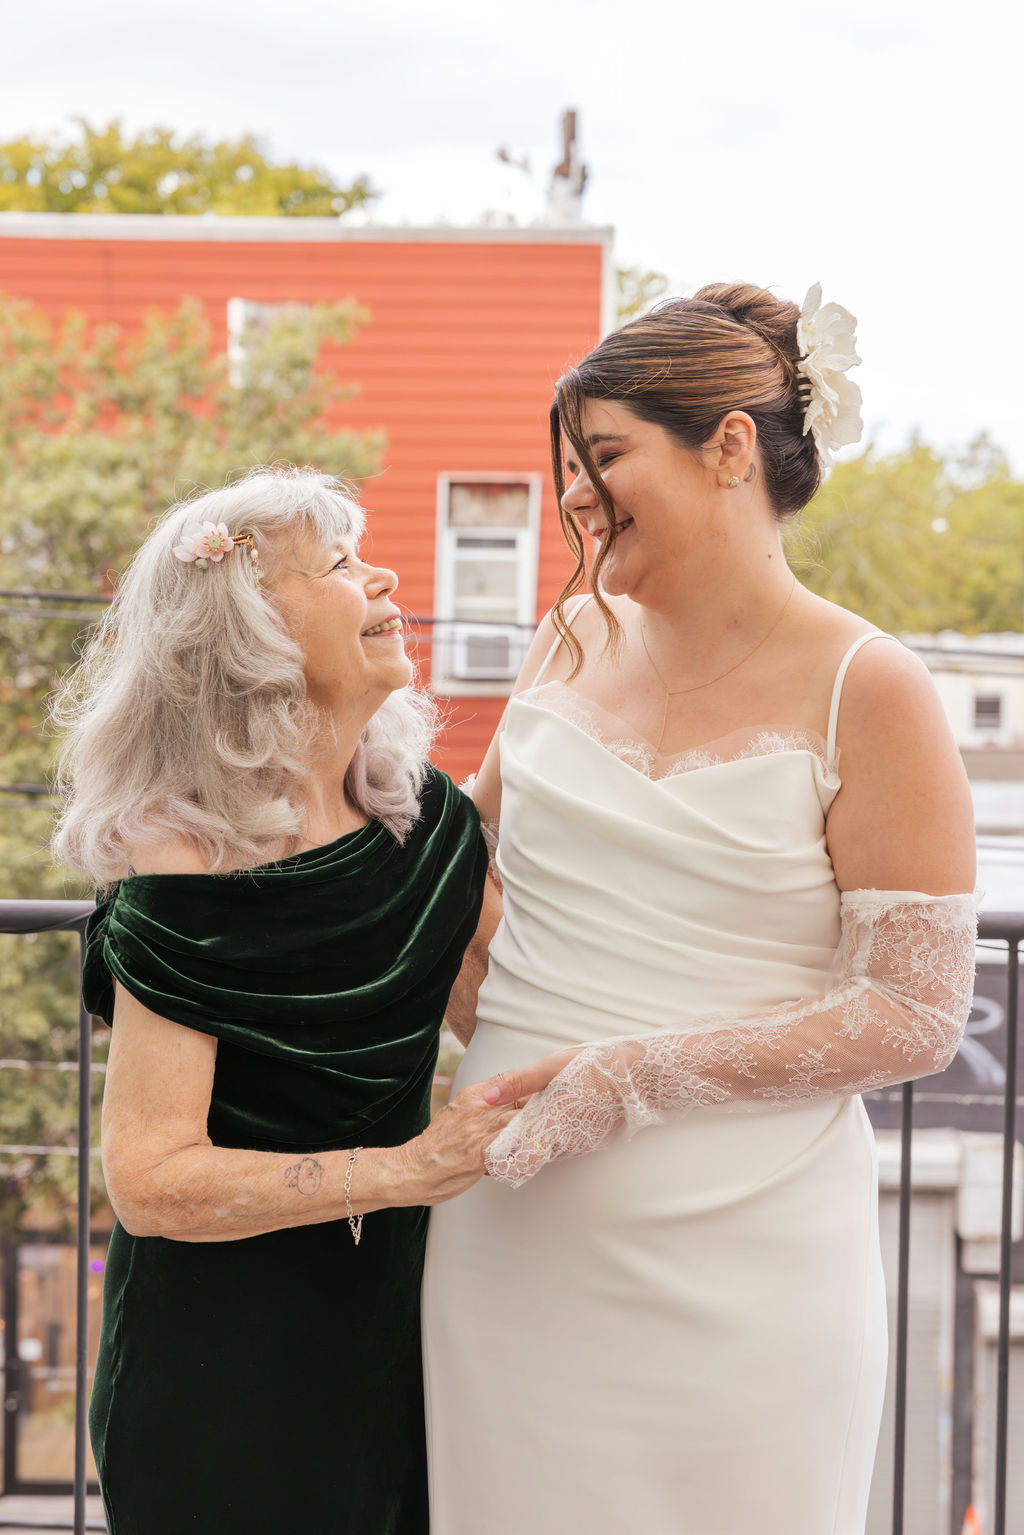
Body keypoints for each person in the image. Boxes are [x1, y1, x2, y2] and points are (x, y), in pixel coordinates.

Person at [422, 284, 978, 1535]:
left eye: (604, 458)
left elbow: (915, 1013)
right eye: (568, 466)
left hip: (749, 1262)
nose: (571, 497)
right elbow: (462, 863)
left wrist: (631, 1078)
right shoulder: (565, 632)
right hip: (511, 1237)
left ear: (729, 446)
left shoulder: (869, 685)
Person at [51, 468, 526, 1535]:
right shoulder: (181, 857)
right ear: (252, 628)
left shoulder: (430, 825)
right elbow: (151, 1180)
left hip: (404, 1327)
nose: (387, 576)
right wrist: (408, 1169)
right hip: (219, 1358)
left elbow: (518, 1001)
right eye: (345, 565)